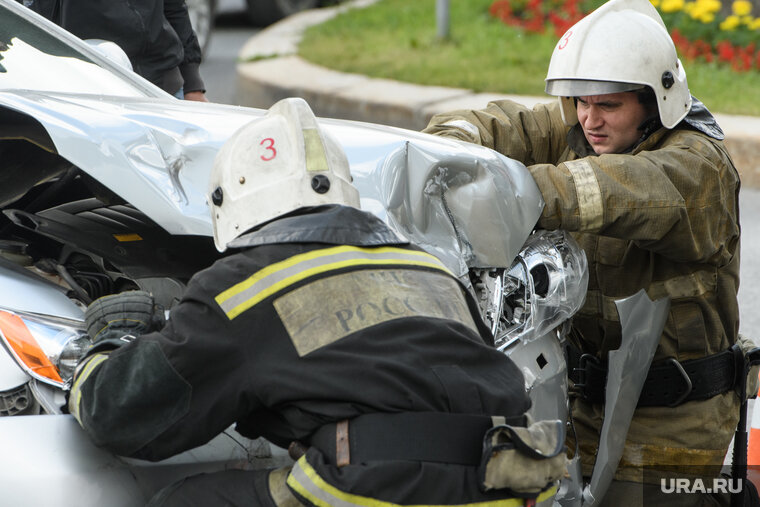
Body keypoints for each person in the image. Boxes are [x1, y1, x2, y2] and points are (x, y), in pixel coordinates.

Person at [67, 97, 566, 506]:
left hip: (386, 487)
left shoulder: (245, 287)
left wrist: (107, 340)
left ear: (227, 205)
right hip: (509, 482)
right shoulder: (429, 268)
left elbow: (118, 417)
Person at [423, 0, 753, 504]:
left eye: (609, 105)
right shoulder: (584, 129)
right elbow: (495, 125)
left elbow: (621, 189)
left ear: (654, 101)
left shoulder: (697, 168)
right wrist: (444, 153)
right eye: (581, 103)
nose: (590, 120)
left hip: (675, 423)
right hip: (580, 407)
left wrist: (507, 191)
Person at [20, 0, 208, 101]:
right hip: (88, 93)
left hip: (162, 86)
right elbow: (28, 17)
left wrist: (192, 84)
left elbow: (174, 7)